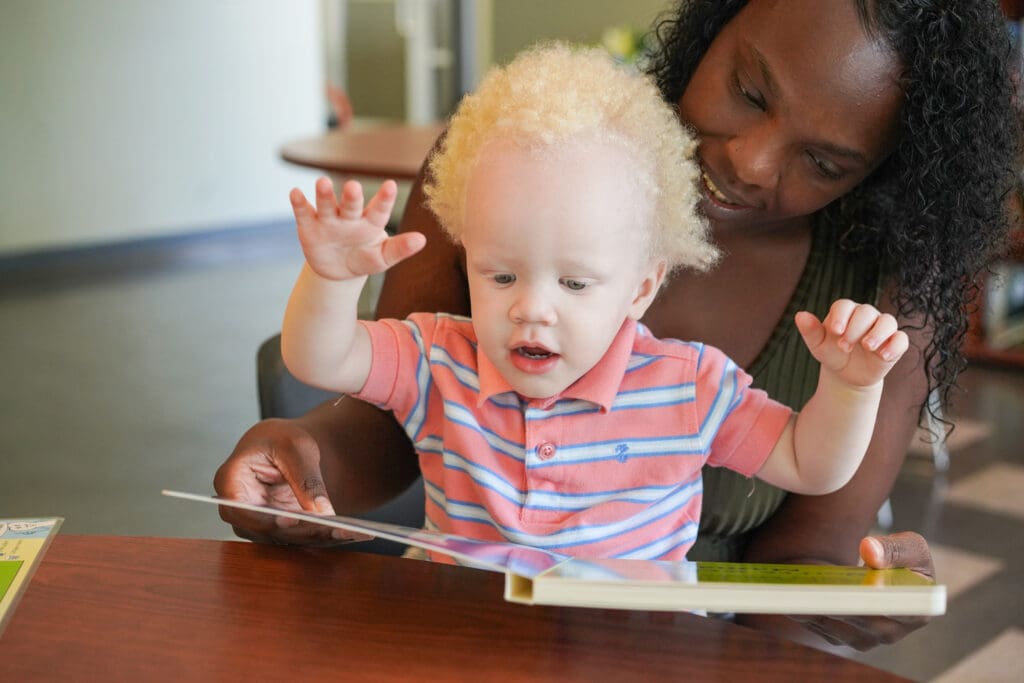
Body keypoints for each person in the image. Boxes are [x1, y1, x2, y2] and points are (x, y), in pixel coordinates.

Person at [216, 0, 1021, 650]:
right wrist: (309, 456)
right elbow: (400, 414)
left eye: (825, 163)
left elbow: (806, 525)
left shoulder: (861, 311)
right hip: (465, 631)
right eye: (748, 89)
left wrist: (847, 586)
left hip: (670, 649)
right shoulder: (515, 163)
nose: (752, 161)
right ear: (715, 26)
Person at [278, 43, 908, 562]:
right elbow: (321, 359)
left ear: (640, 288)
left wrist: (851, 388)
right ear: (466, 252)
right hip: (462, 638)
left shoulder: (687, 388)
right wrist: (332, 280)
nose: (532, 308)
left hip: (631, 652)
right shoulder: (440, 357)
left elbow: (810, 464)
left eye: (575, 284)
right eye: (499, 276)